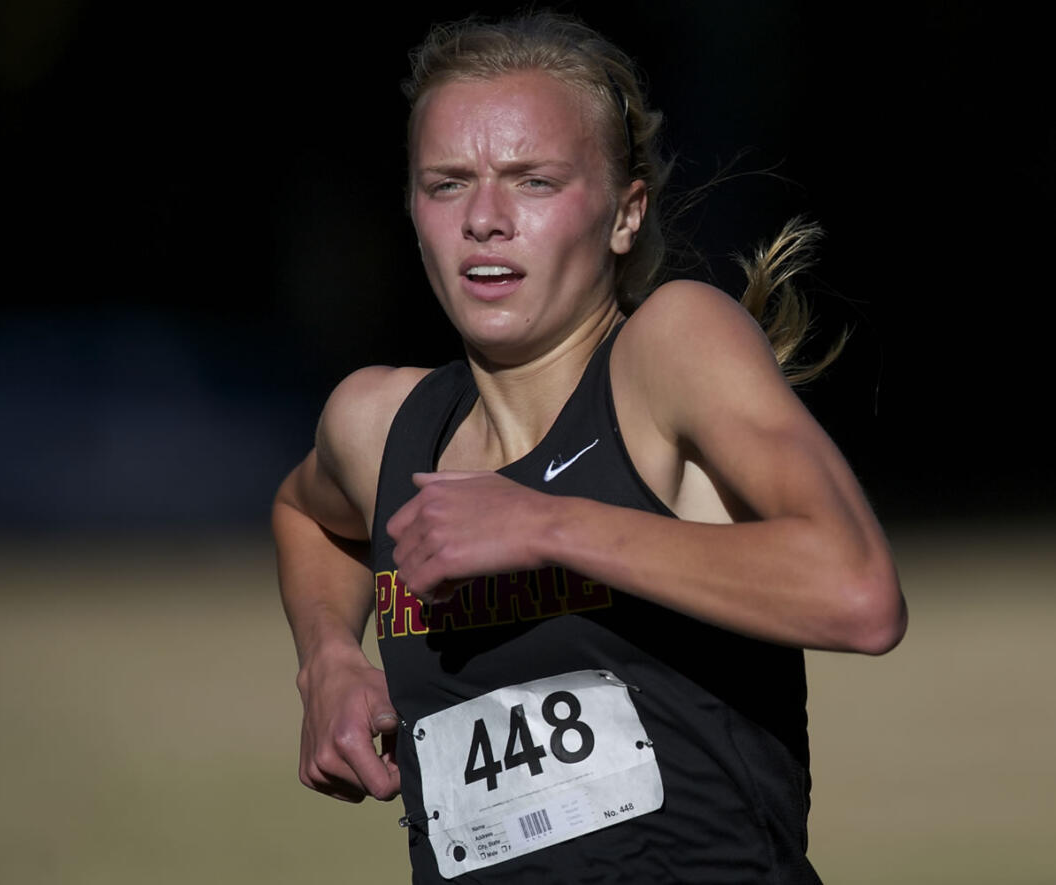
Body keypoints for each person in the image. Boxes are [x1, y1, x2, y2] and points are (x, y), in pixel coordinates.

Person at [273, 12, 906, 883]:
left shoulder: (669, 352)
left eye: (534, 181)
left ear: (625, 213)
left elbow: (859, 591)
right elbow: (306, 513)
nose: (485, 220)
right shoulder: (379, 425)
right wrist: (328, 658)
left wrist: (550, 525)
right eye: (448, 182)